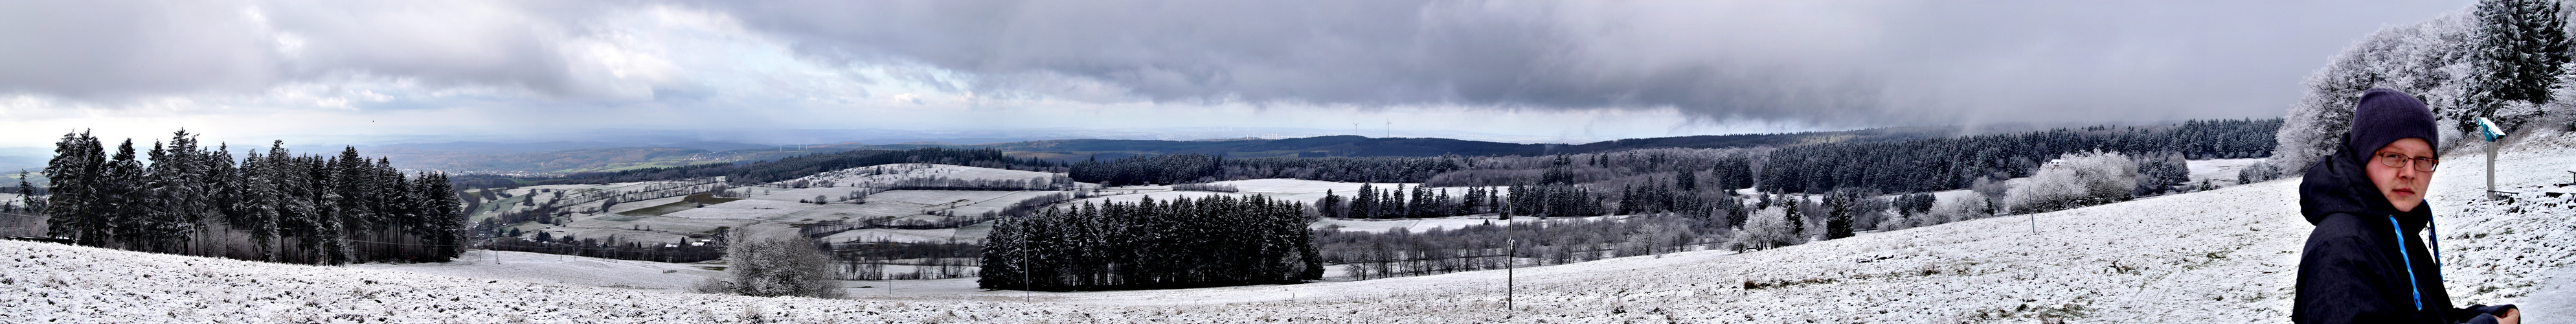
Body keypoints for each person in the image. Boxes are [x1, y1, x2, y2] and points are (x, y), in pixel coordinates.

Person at [2294, 89, 2519, 323]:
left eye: (2423, 159)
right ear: (2362, 157)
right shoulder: (2342, 250)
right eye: (2393, 156)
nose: (2410, 173)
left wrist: (2479, 316)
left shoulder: (2394, 225)